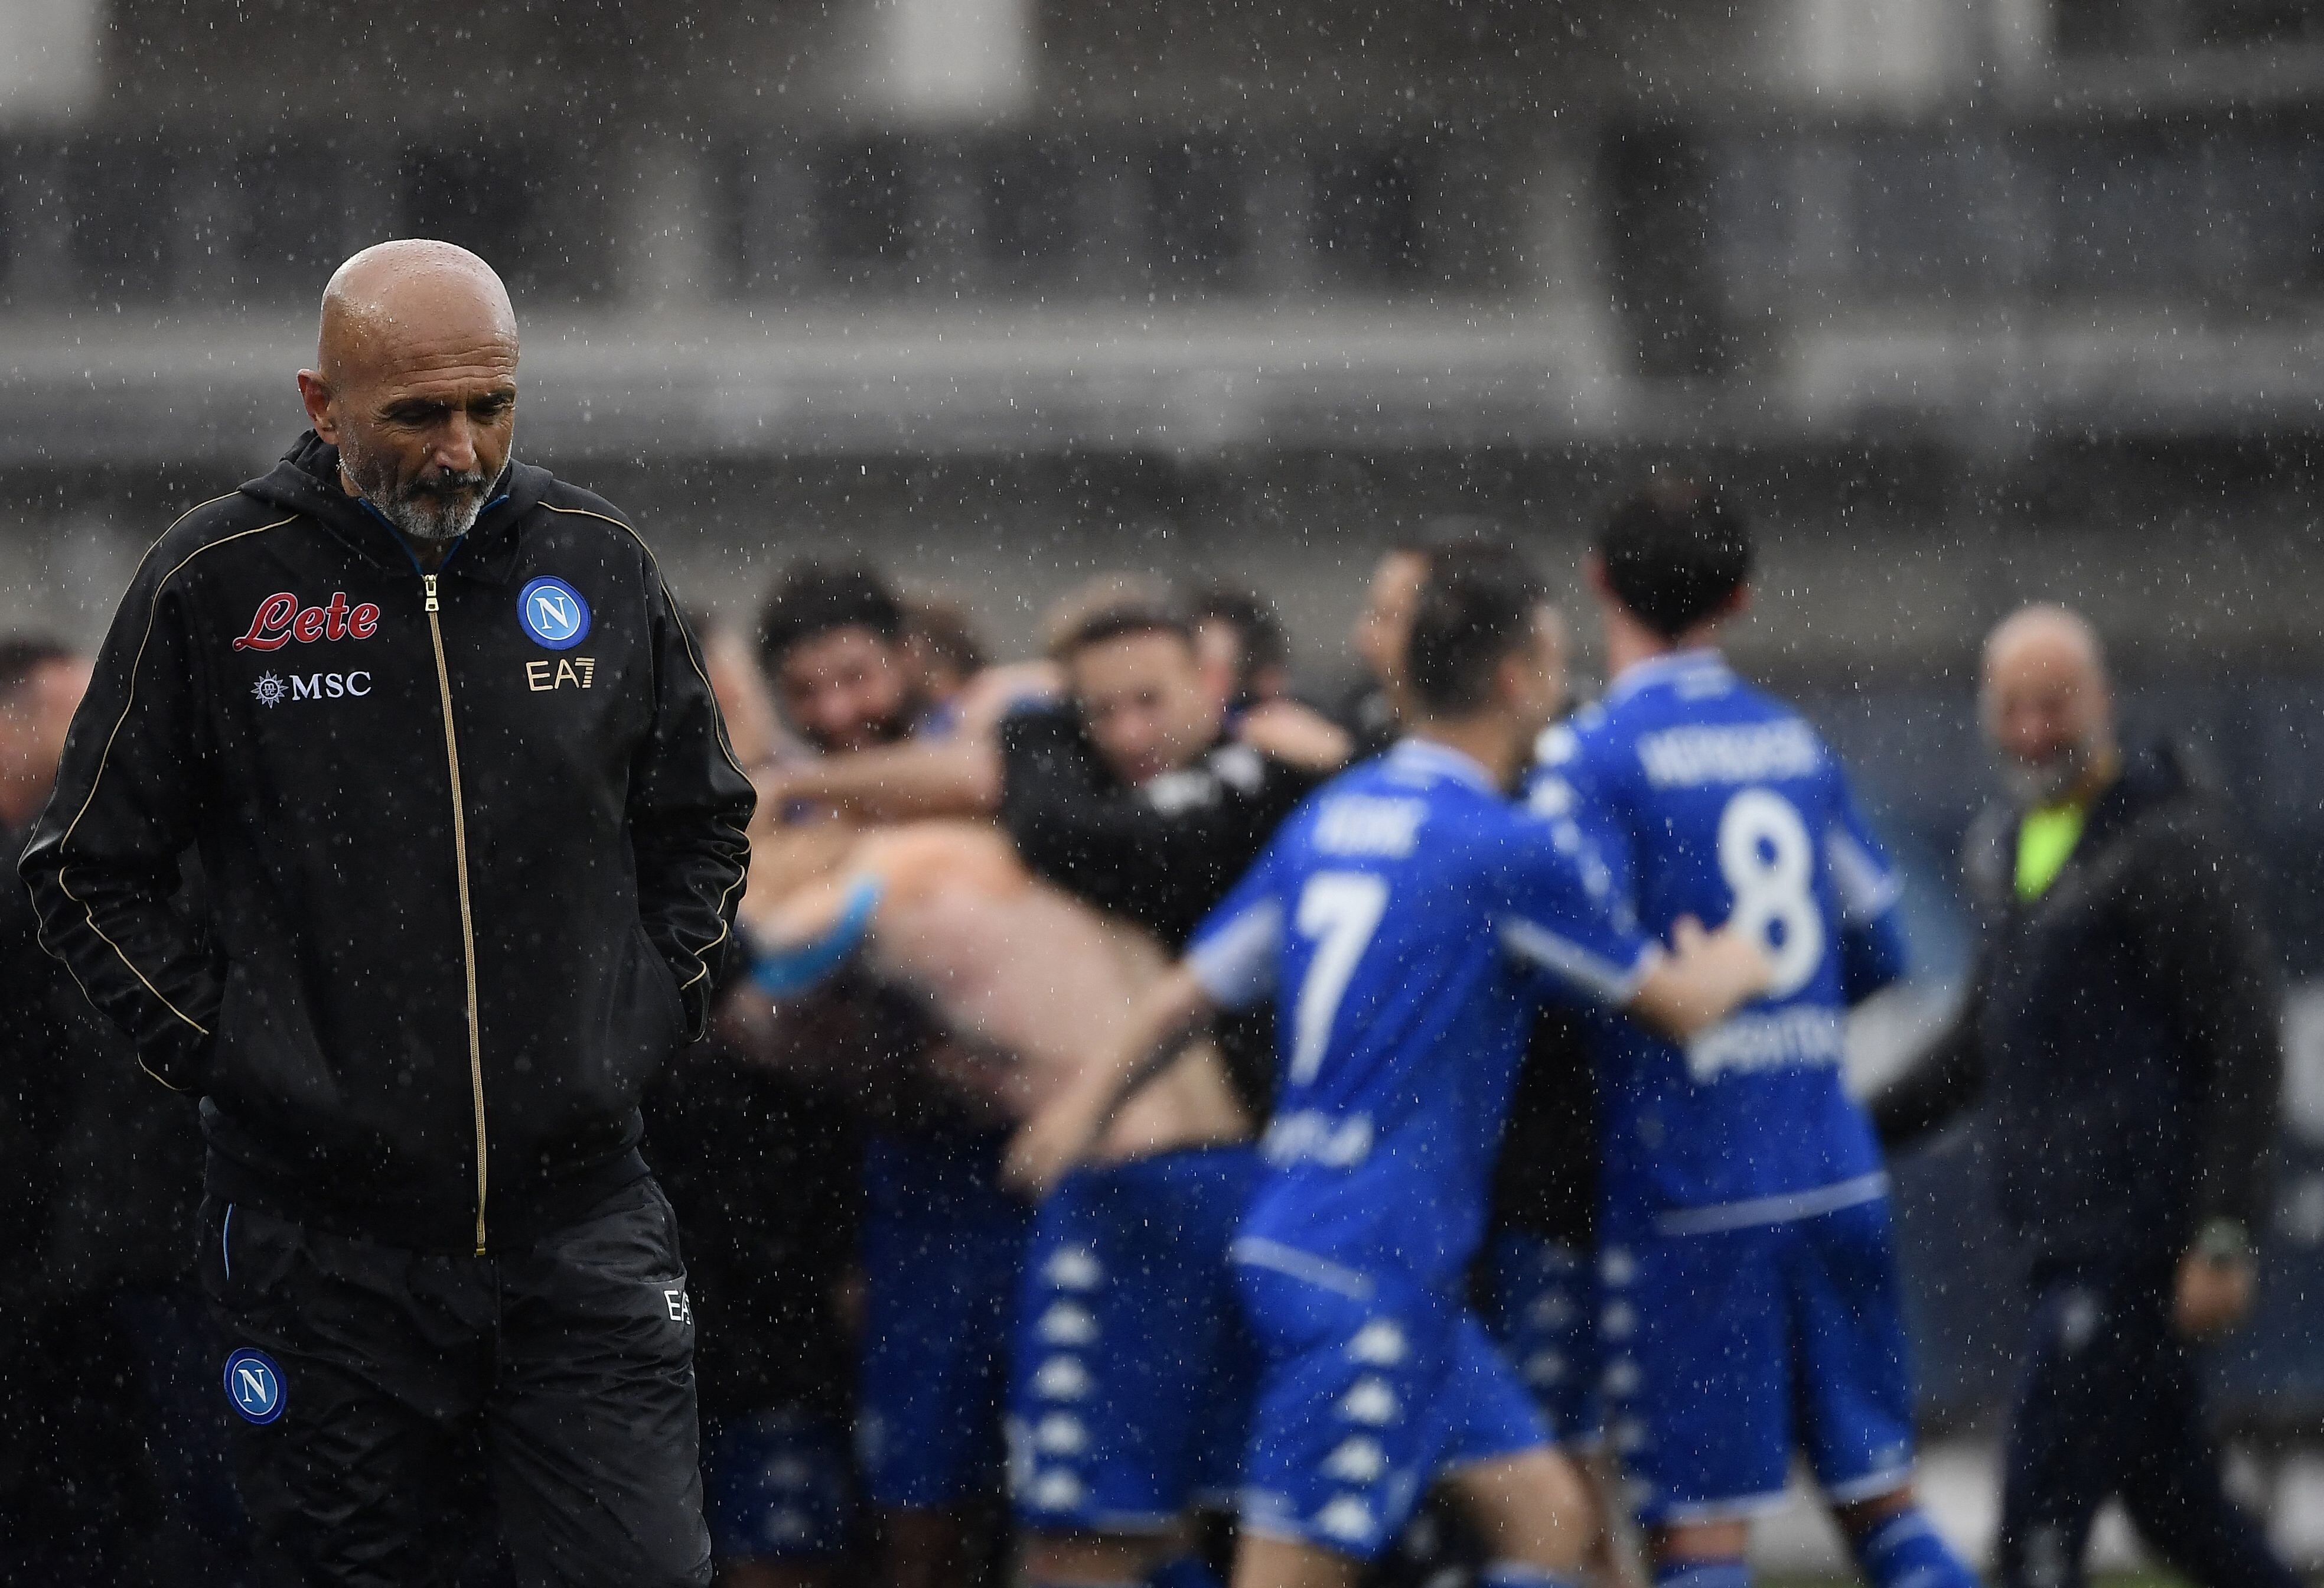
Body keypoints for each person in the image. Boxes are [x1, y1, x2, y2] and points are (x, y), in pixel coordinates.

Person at [19, 239, 756, 1587]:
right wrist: (250, 1057)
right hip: (320, 1249)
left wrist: (642, 1018)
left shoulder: (599, 557)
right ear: (323, 404)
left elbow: (702, 819)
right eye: (418, 413)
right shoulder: (218, 580)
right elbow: (82, 865)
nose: (462, 449)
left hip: (581, 1229)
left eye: (493, 406)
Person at [1008, 545, 1774, 1588]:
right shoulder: (1504, 850)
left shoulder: (1337, 815)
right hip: (1367, 1265)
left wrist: (1085, 1103)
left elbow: (1190, 991)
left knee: (1551, 1521)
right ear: (1520, 675)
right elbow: (1679, 1008)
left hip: (1322, 1234)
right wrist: (1740, 958)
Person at [1531, 479, 1976, 1588]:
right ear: (1739, 598)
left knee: (1702, 1537)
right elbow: (1879, 948)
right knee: (1886, 1511)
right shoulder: (1792, 742)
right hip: (1829, 1169)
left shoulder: (1589, 760)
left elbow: (1559, 964)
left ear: (1596, 581)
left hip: (1692, 1190)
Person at [1873, 606, 2297, 1588]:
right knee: (2182, 1512)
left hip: (2130, 1251)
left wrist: (2226, 1230)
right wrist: (1849, 1131)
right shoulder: (2017, 842)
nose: (2033, 732)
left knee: (2038, 1528)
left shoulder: (2169, 843)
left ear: (2101, 701)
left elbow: (2247, 1045)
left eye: (2054, 705)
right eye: (2014, 709)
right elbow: (1973, 1048)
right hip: (2065, 1239)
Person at [752, 558, 1029, 1588]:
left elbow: (975, 781)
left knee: (1088, 1518)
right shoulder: (784, 815)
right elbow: (755, 966)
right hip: (908, 1193)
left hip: (1050, 1173)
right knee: (919, 1518)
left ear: (909, 660)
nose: (839, 712)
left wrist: (807, 787)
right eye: (810, 693)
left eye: (857, 679)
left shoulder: (1002, 726)